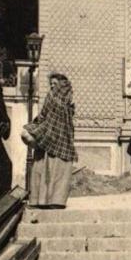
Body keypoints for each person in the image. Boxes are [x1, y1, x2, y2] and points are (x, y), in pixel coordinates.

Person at [24, 73, 77, 209]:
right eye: (51, 84)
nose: (52, 86)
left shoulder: (52, 97)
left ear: (60, 84)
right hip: (63, 141)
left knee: (44, 169)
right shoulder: (68, 98)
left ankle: (40, 200)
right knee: (57, 172)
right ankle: (55, 201)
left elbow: (44, 116)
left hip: (50, 138)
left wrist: (35, 127)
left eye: (54, 84)